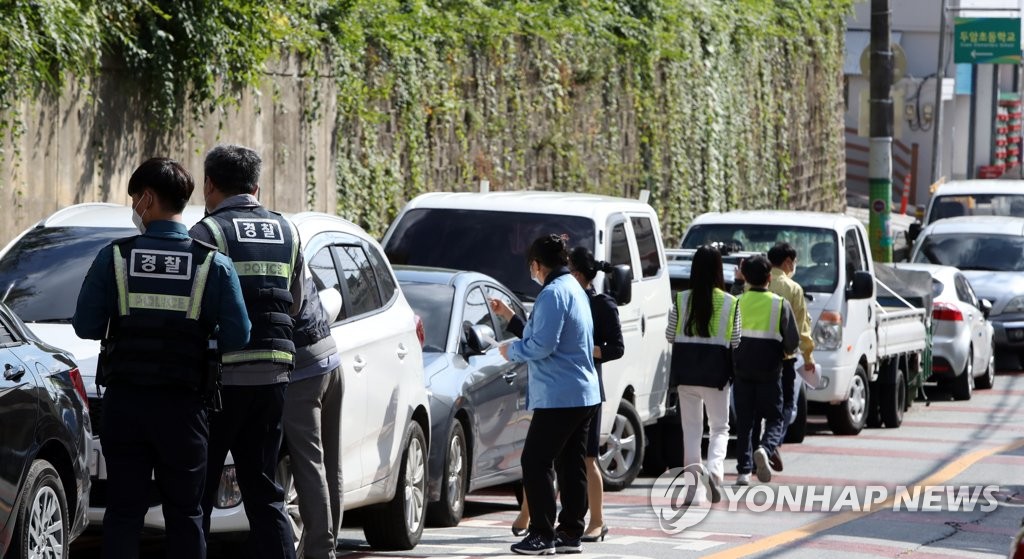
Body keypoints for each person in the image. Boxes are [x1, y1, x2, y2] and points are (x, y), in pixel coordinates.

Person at [73, 157, 251, 559]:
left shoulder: (114, 257)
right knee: (186, 513)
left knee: (123, 512)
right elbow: (239, 336)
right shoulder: (212, 264)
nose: (134, 206)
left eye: (135, 198)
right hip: (184, 407)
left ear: (147, 199)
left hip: (126, 405)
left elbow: (85, 326)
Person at [192, 144, 304, 559]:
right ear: (257, 186)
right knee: (264, 489)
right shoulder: (288, 231)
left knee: (198, 492)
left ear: (209, 184)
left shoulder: (208, 233)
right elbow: (295, 301)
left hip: (219, 384)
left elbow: (194, 308)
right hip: (274, 376)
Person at [497, 247, 624, 542]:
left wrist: (511, 351)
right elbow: (544, 334)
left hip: (560, 394)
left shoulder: (553, 293)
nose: (532, 272)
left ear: (538, 264)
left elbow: (542, 345)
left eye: (532, 267)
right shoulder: (575, 289)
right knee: (571, 463)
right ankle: (570, 531)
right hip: (583, 392)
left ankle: (542, 534)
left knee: (536, 461)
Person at [664, 245, 740, 503]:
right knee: (720, 427)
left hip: (686, 374)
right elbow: (736, 340)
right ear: (719, 270)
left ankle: (692, 492)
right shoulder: (731, 302)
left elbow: (669, 335)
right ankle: (716, 473)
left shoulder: (681, 299)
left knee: (692, 431)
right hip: (717, 375)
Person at [282, 273, 343, 559]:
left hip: (301, 369)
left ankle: (321, 551)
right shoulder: (289, 237)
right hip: (329, 358)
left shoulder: (226, 237)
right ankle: (326, 548)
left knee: (310, 465)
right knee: (327, 464)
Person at [732, 255, 799, 486]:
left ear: (746, 278)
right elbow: (792, 342)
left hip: (741, 372)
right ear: (770, 278)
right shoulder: (780, 304)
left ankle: (743, 471)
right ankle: (766, 447)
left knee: (744, 422)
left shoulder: (737, 303)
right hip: (770, 372)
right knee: (775, 417)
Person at [762, 242, 815, 468]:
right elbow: (801, 327)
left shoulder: (758, 283)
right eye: (794, 262)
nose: (794, 266)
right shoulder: (793, 289)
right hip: (784, 357)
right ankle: (768, 446)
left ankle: (759, 450)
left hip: (754, 356)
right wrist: (809, 357)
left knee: (757, 407)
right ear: (787, 262)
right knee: (784, 406)